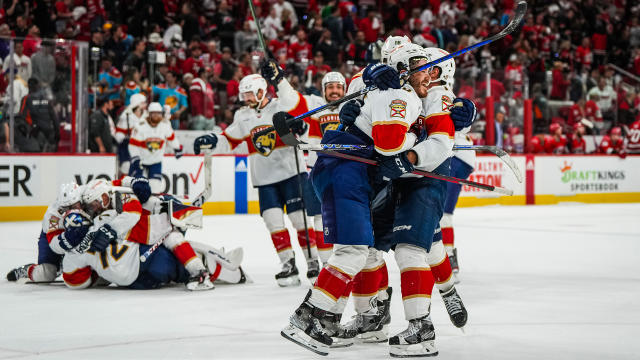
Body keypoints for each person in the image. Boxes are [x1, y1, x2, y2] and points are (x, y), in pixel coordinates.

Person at [280, 43, 433, 356]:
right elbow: (390, 144)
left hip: (343, 170)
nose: (428, 73)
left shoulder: (385, 91)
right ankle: (307, 319)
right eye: (420, 66)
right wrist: (418, 136)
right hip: (346, 171)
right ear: (403, 69)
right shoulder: (400, 95)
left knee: (357, 252)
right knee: (353, 252)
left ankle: (326, 321)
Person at [193, 71, 321, 287]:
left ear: (262, 91)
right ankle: (288, 264)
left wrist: (301, 127)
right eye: (244, 96)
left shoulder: (281, 106)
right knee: (273, 223)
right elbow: (229, 139)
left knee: (299, 221)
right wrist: (212, 140)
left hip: (291, 174)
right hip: (264, 180)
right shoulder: (243, 117)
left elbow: (303, 124)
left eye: (250, 94)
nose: (246, 99)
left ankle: (312, 262)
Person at [128, 102, 183, 193]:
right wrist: (135, 158)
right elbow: (133, 145)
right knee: (135, 188)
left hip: (155, 162)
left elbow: (172, 138)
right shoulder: (140, 126)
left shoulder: (165, 125)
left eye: (158, 113)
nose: (156, 115)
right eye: (153, 113)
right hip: (140, 162)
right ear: (149, 114)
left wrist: (177, 148)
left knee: (155, 188)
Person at [20, 78, 59, 152]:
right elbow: (54, 118)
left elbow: (22, 116)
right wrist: (57, 134)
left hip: (34, 133)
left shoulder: (26, 99)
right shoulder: (46, 100)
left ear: (28, 87)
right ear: (37, 86)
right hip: (48, 132)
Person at [115, 93, 147, 177]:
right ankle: (124, 188)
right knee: (126, 167)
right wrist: (125, 137)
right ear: (137, 104)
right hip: (128, 147)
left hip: (142, 147)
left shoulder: (146, 115)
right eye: (143, 103)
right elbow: (118, 135)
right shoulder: (126, 116)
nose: (145, 105)